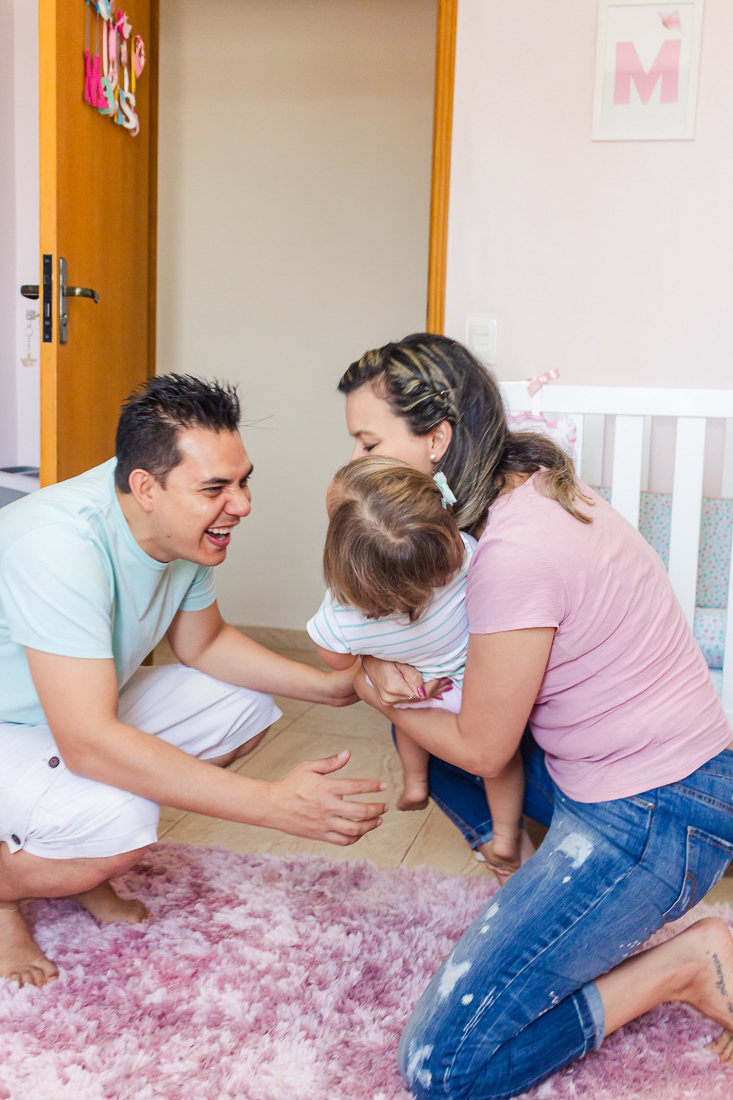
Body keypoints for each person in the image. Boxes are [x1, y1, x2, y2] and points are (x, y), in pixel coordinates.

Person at [337, 333, 733, 1096]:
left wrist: (363, 680)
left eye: (368, 442)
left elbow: (485, 750)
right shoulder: (531, 489)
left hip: (660, 810)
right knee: (418, 721)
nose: (356, 462)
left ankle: (681, 966)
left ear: (436, 439)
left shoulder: (514, 549)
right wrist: (393, 673)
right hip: (635, 780)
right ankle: (524, 878)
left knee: (442, 1067)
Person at [0, 374, 387, 989]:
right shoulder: (60, 544)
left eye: (243, 481)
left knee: (239, 705)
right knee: (118, 820)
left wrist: (331, 686)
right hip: (16, 725)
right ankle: (7, 894)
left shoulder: (174, 527)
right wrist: (271, 804)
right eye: (215, 489)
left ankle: (74, 858)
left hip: (62, 714)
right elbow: (87, 742)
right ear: (145, 487)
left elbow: (203, 644)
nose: (242, 505)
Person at [307, 456, 532, 882]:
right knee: (503, 764)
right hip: (477, 688)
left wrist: (371, 653)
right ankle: (505, 834)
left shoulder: (344, 615)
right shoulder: (468, 558)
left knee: (405, 720)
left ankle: (415, 783)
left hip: (420, 691)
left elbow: (334, 658)